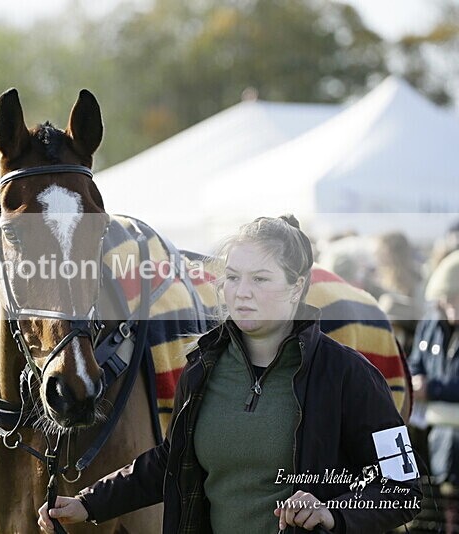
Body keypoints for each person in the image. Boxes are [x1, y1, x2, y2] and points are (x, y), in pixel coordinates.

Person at [38, 215, 421, 533]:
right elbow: (171, 462)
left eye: (260, 279)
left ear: (297, 287)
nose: (242, 292)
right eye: (233, 277)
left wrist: (333, 513)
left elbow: (404, 487)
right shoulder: (201, 368)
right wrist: (88, 504)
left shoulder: (350, 375)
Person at [409, 250, 459, 532]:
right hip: (431, 434)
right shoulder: (430, 323)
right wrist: (416, 379)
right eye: (448, 297)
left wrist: (434, 388)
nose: (452, 304)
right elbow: (416, 361)